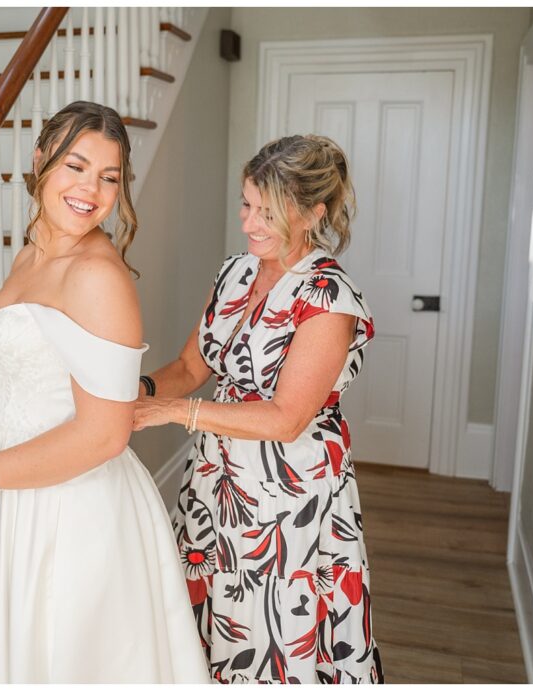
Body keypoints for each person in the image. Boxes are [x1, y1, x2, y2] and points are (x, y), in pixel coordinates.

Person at [0, 101, 209, 684]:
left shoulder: (97, 276)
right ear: (41, 162)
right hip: (7, 492)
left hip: (66, 508)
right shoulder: (33, 251)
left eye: (109, 177)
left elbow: (104, 434)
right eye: (76, 167)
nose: (92, 190)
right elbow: (5, 355)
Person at [133, 134, 383, 683]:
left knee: (274, 625)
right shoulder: (234, 272)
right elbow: (192, 366)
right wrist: (140, 392)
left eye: (269, 212)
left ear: (314, 214)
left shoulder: (327, 297)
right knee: (216, 614)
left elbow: (285, 417)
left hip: (289, 494)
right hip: (218, 480)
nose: (249, 223)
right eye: (246, 204)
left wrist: (174, 413)